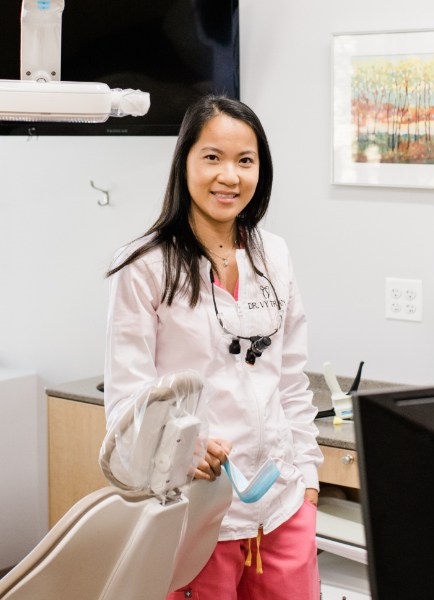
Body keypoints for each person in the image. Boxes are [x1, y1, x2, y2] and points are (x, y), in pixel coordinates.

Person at [104, 94, 323, 599]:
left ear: (260, 171)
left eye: (245, 161)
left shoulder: (275, 255)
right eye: (212, 157)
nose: (230, 176)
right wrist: (185, 449)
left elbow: (290, 378)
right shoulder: (144, 266)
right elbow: (126, 405)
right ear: (184, 163)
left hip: (283, 503)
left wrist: (308, 480)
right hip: (198, 512)